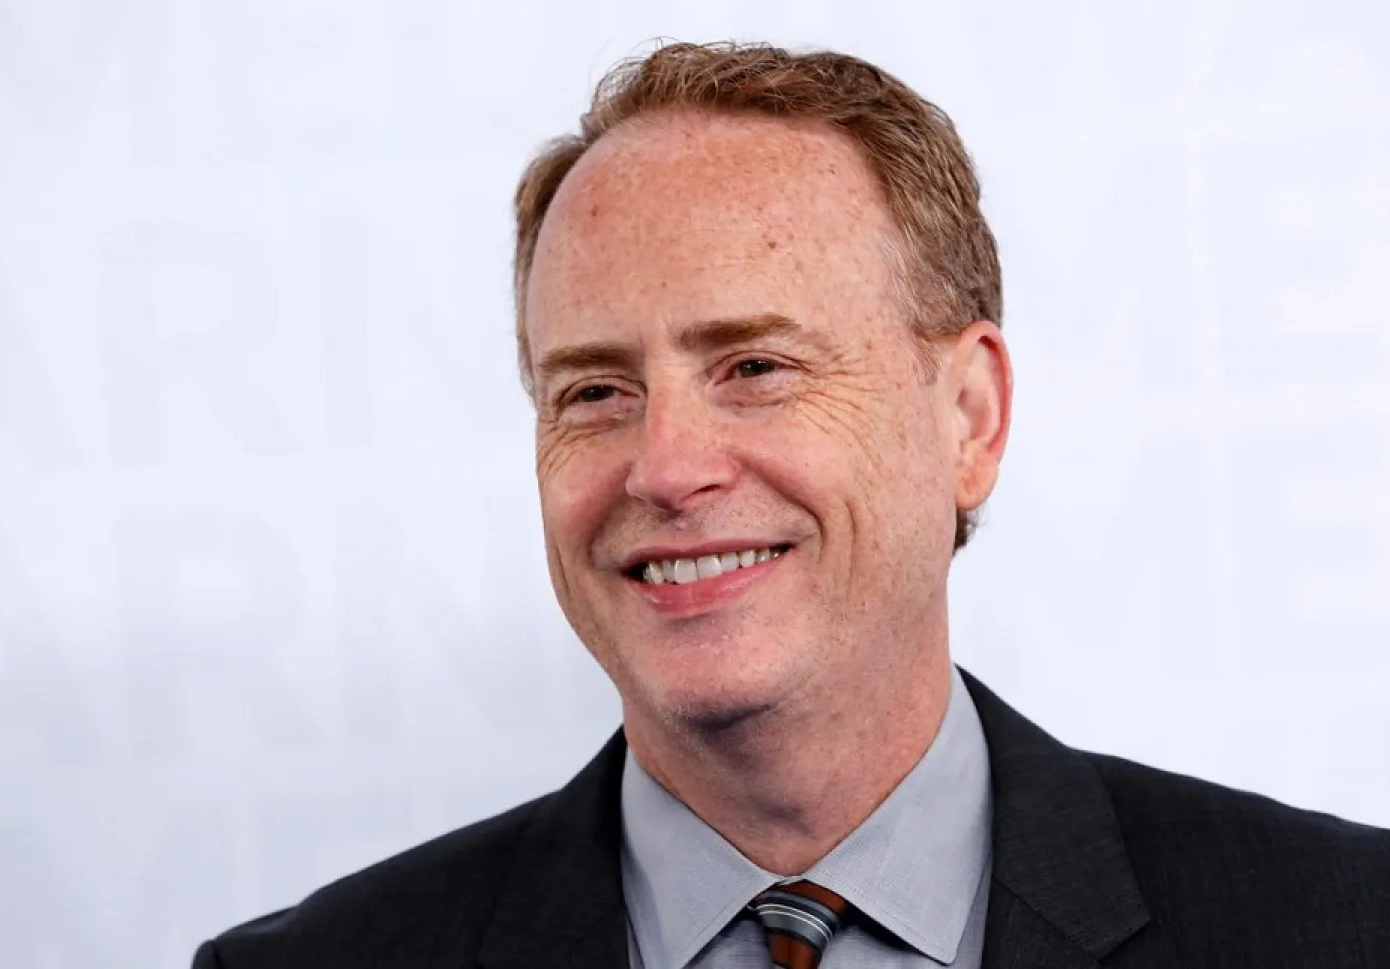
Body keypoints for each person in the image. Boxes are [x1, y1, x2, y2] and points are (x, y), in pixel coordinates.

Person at [192, 41, 1390, 968]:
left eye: (755, 367)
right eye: (596, 390)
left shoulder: (1342, 931)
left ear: (968, 417)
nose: (666, 466)